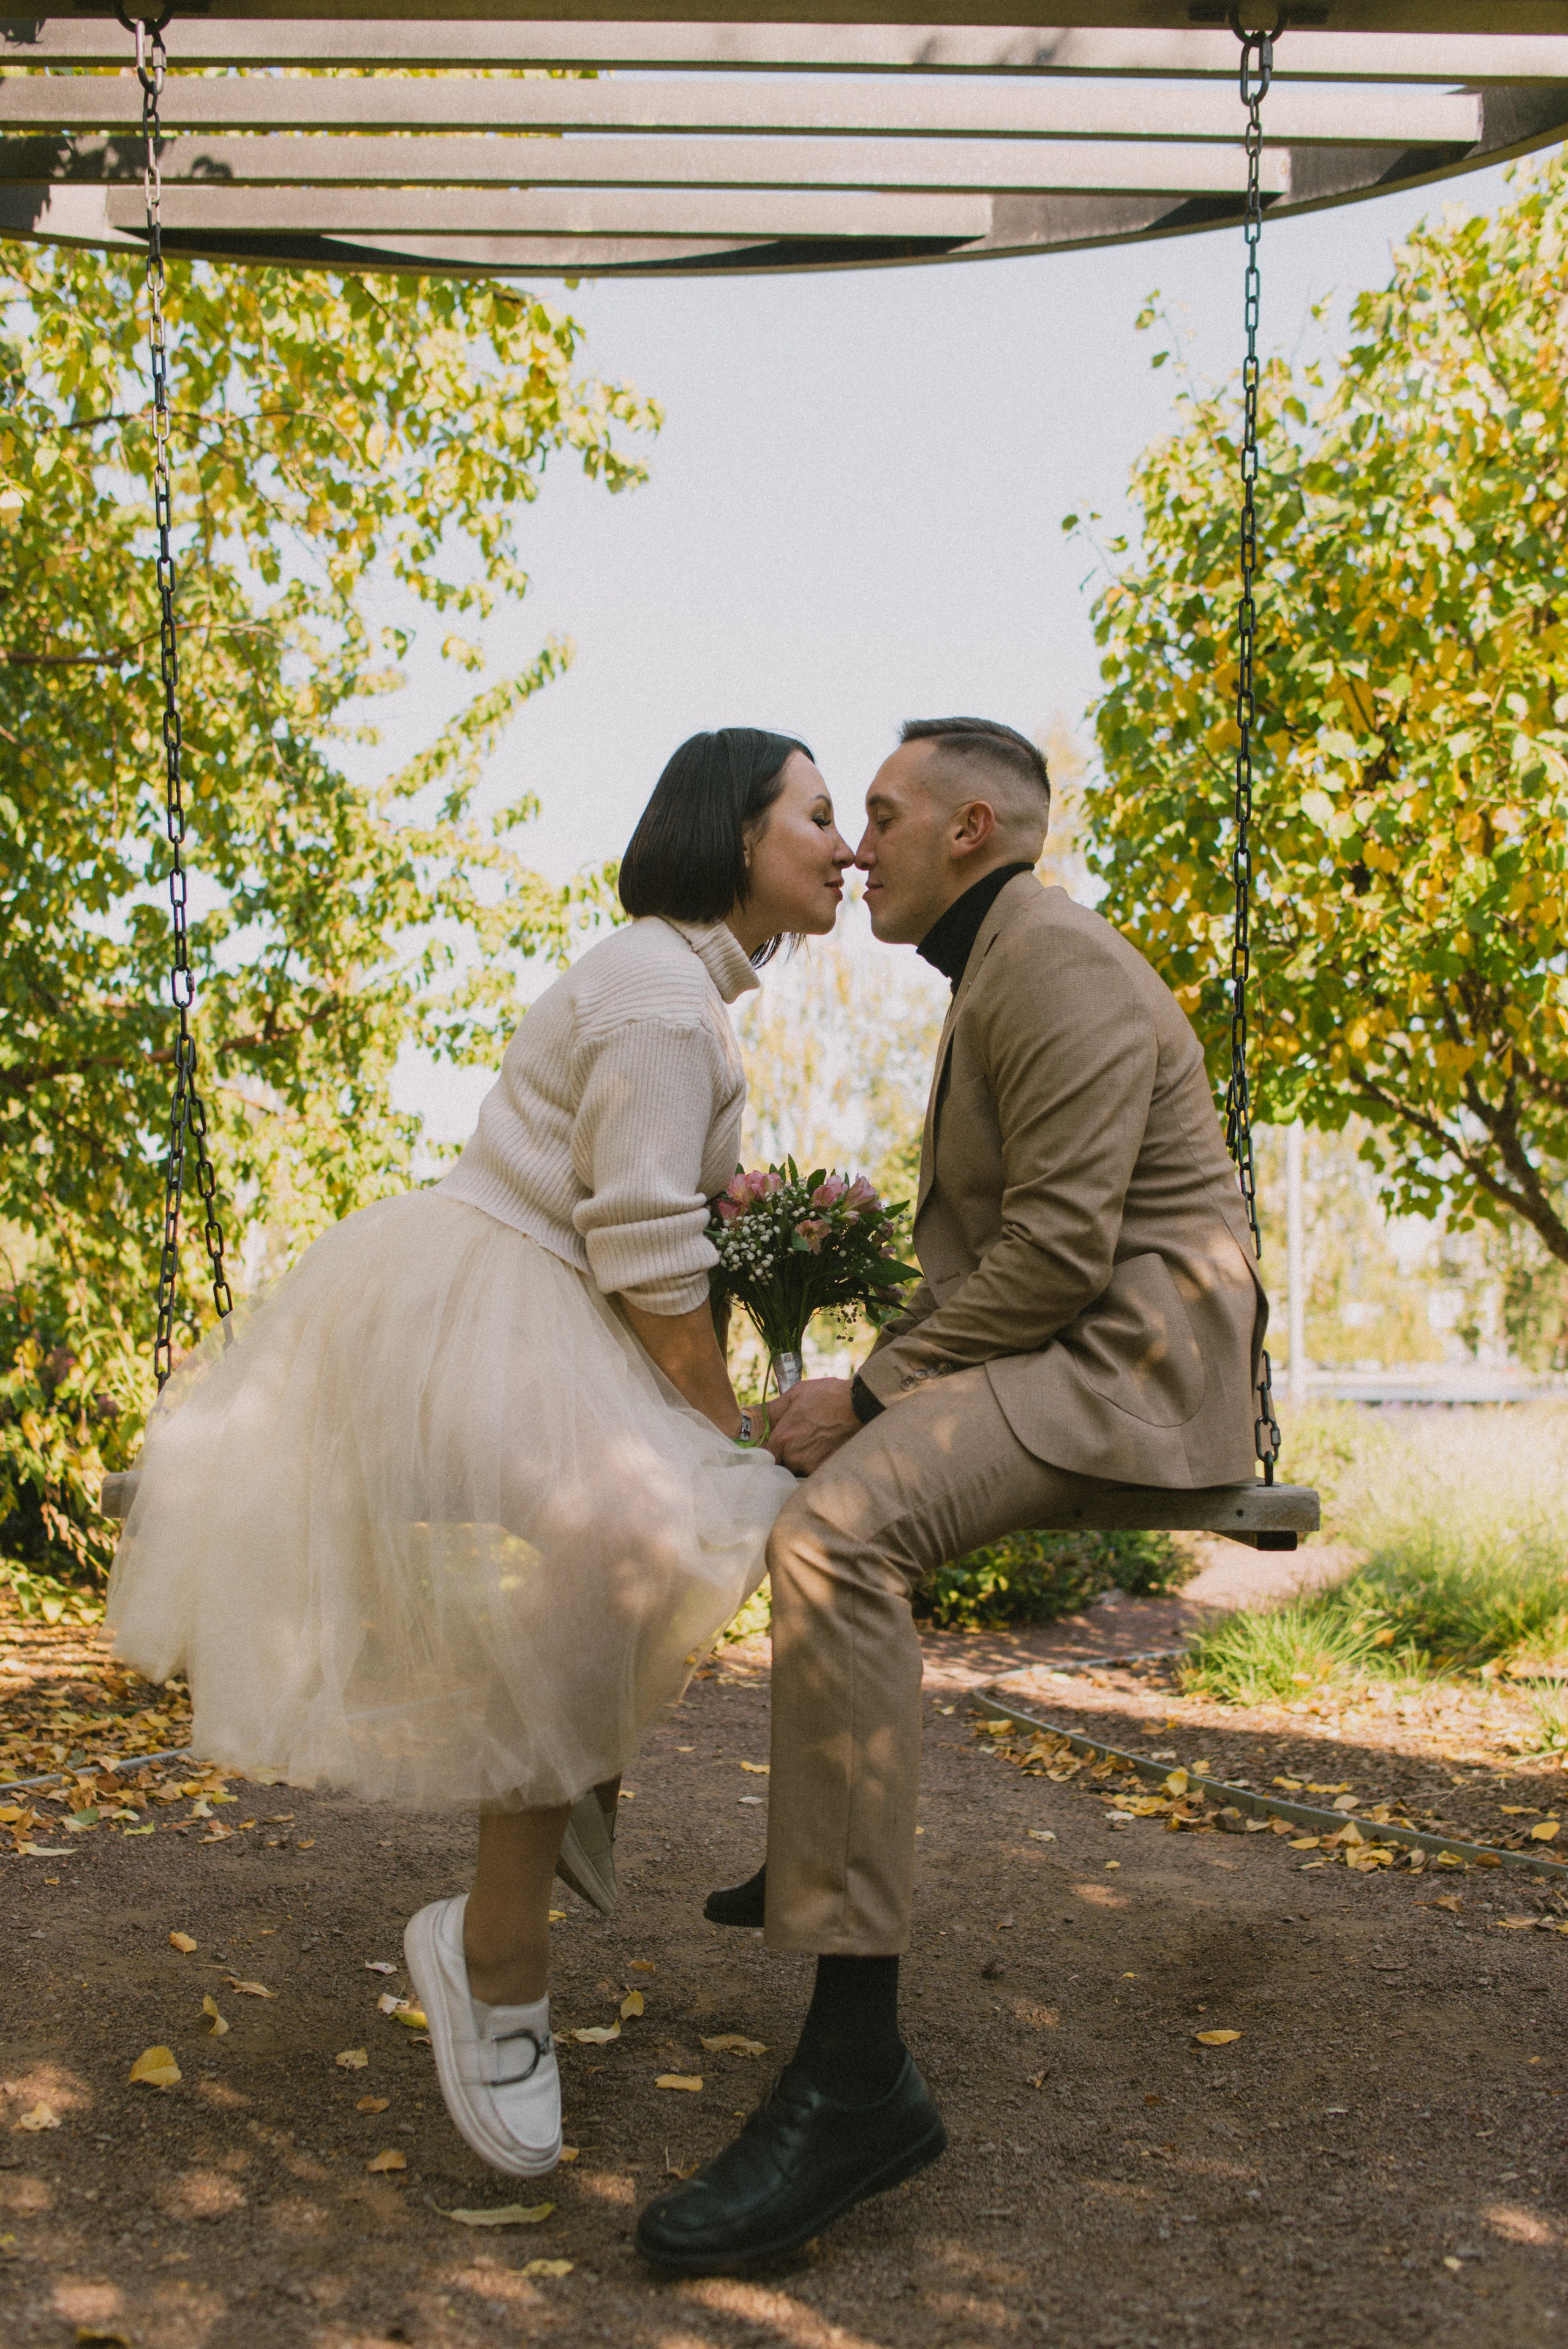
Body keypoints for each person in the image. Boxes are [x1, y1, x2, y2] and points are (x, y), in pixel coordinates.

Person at [107, 727, 853, 2181]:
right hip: (490, 1303)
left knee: (665, 1533)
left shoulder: (681, 988)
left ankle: (548, 1849)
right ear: (734, 829)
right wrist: (718, 1420)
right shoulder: (655, 991)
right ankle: (496, 1951)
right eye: (818, 815)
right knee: (648, 1524)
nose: (842, 846)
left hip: (540, 1317)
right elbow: (643, 1245)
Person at [636, 716, 1267, 2272]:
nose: (859, 844)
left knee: (840, 1531)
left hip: (1127, 1361)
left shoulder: (1044, 957)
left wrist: (872, 1387)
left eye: (887, 812)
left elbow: (1054, 1256)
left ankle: (855, 2076)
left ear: (973, 829)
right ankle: (815, 1854)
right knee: (827, 1504)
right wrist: (878, 1380)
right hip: (1084, 1344)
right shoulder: (1003, 959)